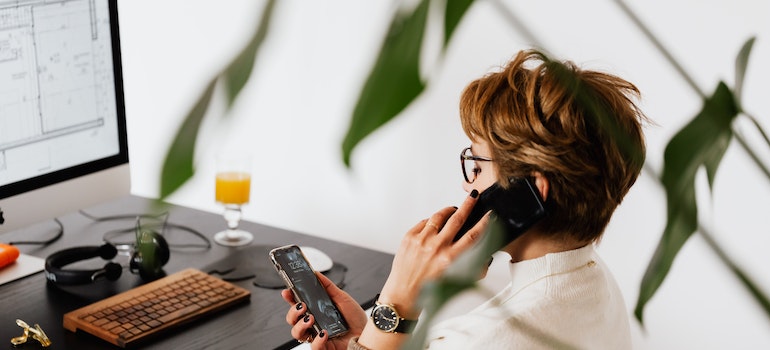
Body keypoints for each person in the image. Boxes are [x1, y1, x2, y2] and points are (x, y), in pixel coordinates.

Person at [281, 49, 648, 349]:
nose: (466, 184)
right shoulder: (594, 283)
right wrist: (368, 336)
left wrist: (396, 300)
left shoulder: (482, 339)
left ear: (531, 188)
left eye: (476, 163)